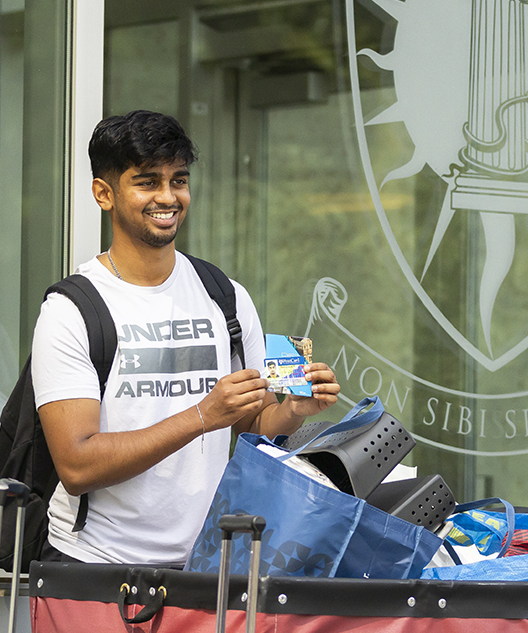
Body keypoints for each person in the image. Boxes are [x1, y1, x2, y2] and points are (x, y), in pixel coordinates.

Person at [31, 111, 340, 565]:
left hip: (206, 562)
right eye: (147, 181)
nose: (168, 197)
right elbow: (77, 466)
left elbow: (251, 427)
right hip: (94, 563)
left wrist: (294, 410)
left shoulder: (225, 296)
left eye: (179, 180)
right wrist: (201, 415)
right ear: (104, 194)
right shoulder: (71, 310)